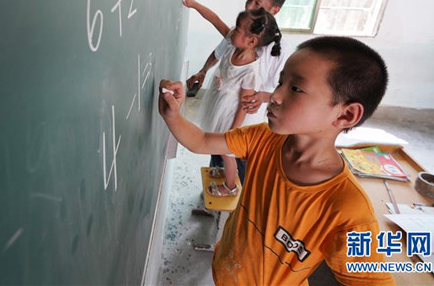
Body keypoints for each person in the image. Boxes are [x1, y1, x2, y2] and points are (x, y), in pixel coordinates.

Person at [158, 36, 395, 285]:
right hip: (224, 271)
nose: (275, 96)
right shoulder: (262, 138)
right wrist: (173, 116)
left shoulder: (346, 208)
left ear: (346, 114)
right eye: (281, 82)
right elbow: (202, 141)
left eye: (296, 89)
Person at [183, 0, 288, 183]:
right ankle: (218, 187)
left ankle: (232, 191)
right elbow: (218, 46)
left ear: (275, 9)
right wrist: (202, 72)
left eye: (257, 4)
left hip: (243, 120)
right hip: (220, 108)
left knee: (234, 158)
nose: (249, 6)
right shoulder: (238, 38)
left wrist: (263, 97)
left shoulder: (275, 52)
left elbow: (284, 91)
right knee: (217, 151)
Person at [196, 8, 281, 197]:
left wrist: (233, 132)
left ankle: (230, 186)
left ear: (251, 41)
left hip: (230, 115)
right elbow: (216, 19)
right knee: (218, 145)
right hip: (219, 103)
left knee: (227, 152)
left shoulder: (250, 70)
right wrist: (194, 5)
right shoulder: (234, 45)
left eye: (237, 29)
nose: (232, 31)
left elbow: (244, 105)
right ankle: (225, 172)